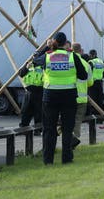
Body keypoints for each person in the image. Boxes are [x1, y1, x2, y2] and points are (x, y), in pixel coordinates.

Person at [33, 31, 87, 165]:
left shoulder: (47, 56)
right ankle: (67, 158)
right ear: (65, 43)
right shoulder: (72, 56)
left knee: (49, 129)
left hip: (50, 96)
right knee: (67, 129)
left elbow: (34, 60)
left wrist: (47, 47)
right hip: (69, 97)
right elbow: (83, 76)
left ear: (54, 42)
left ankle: (48, 160)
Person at [71, 42, 93, 149]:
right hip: (83, 98)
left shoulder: (70, 62)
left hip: (70, 96)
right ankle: (74, 140)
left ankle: (70, 139)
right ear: (81, 50)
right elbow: (90, 82)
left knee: (67, 120)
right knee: (77, 121)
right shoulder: (86, 64)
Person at [18, 60, 43, 134]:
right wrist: (26, 67)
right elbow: (21, 74)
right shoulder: (29, 64)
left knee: (38, 112)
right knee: (25, 111)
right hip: (29, 91)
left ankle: (38, 129)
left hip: (40, 90)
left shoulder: (43, 65)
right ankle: (23, 128)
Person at [87, 49, 104, 114]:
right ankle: (100, 118)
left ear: (92, 55)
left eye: (90, 55)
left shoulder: (91, 62)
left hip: (92, 84)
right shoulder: (101, 61)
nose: (89, 57)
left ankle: (93, 118)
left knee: (92, 101)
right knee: (99, 100)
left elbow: (88, 73)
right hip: (100, 83)